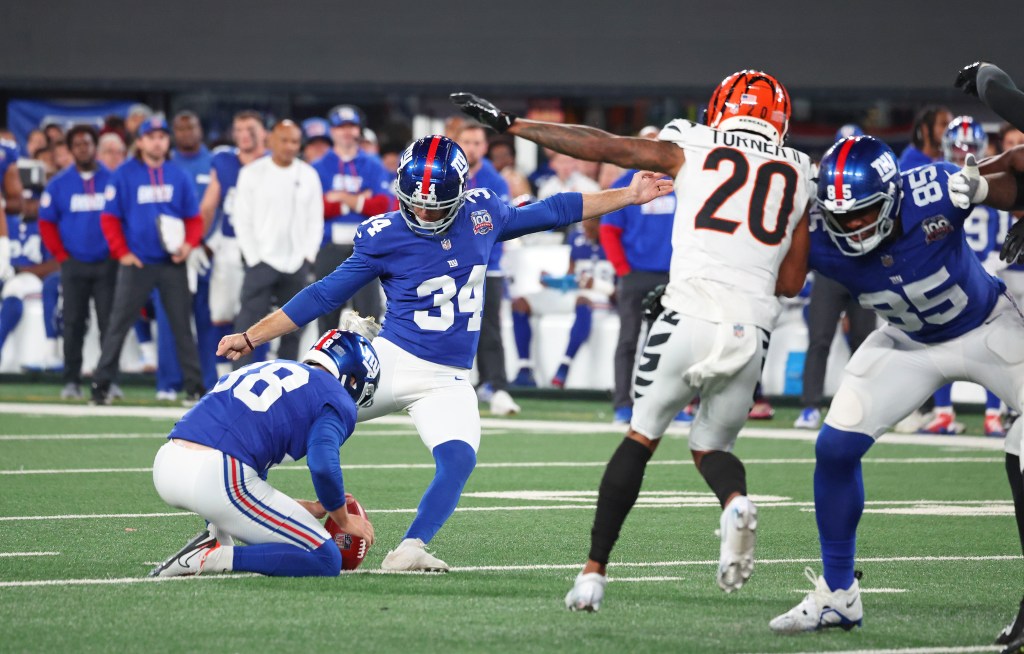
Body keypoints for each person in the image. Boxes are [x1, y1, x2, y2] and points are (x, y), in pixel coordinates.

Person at [218, 134, 673, 572]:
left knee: (458, 459)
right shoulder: (384, 236)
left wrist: (628, 195)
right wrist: (253, 336)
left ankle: (411, 547)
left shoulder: (483, 212)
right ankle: (227, 497)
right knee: (296, 419)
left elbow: (555, 209)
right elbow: (321, 295)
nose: (419, 210)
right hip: (389, 361)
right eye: (413, 200)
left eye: (431, 205)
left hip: (449, 376)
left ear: (458, 194)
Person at [451, 69, 813, 610]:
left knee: (640, 440)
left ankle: (593, 573)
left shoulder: (692, 141)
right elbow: (790, 282)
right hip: (750, 328)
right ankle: (735, 502)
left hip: (687, 311)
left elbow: (605, 147)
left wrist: (514, 125)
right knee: (713, 447)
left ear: (721, 106)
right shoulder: (800, 170)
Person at [769, 137, 1024, 635]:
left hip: (987, 327)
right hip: (906, 343)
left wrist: (1003, 197)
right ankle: (839, 597)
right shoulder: (816, 227)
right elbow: (773, 272)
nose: (851, 225)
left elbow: (1015, 170)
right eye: (840, 215)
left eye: (863, 213)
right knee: (835, 448)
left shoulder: (936, 190)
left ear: (892, 197)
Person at [149, 328, 378, 578]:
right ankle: (212, 556)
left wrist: (307, 508)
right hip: (216, 475)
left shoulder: (273, 369)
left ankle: (215, 537)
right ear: (354, 380)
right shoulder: (336, 396)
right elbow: (322, 462)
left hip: (168, 462)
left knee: (241, 482)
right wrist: (342, 518)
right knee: (325, 558)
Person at [90, 116, 205, 406]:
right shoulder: (124, 174)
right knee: (119, 325)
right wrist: (123, 253)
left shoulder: (178, 175)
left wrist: (189, 245)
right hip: (137, 263)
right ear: (139, 142)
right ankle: (101, 386)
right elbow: (109, 218)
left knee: (181, 326)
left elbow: (194, 218)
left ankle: (194, 388)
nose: (157, 141)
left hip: (171, 262)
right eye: (151, 136)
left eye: (162, 137)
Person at [918, 115, 1007, 436]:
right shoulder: (936, 180)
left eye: (969, 146)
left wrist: (990, 268)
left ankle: (993, 412)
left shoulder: (991, 179)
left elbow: (1001, 235)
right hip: (946, 275)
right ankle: (943, 412)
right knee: (938, 342)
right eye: (958, 145)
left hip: (983, 272)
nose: (962, 152)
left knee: (993, 347)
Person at [794, 125, 877, 431]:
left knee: (863, 343)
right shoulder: (820, 179)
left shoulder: (868, 179)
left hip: (860, 270)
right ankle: (810, 406)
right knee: (819, 340)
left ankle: (865, 406)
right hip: (829, 272)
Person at [598, 129, 676, 424]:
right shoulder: (625, 184)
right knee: (628, 340)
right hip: (635, 274)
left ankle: (664, 405)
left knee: (668, 344)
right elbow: (608, 230)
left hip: (669, 275)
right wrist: (623, 270)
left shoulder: (678, 184)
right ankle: (622, 403)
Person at [231, 120, 323, 366]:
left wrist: (308, 256)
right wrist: (254, 257)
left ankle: (286, 379)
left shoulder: (309, 174)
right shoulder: (252, 173)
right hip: (262, 261)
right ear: (271, 141)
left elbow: (316, 219)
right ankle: (237, 377)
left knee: (294, 325)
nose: (290, 146)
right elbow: (242, 219)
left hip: (296, 263)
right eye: (284, 140)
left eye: (295, 141)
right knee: (248, 323)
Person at [38, 125, 117, 399]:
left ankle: (108, 380)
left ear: (95, 146)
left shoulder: (112, 179)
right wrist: (61, 256)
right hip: (73, 263)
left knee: (110, 323)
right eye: (78, 145)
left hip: (107, 262)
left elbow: (123, 218)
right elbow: (46, 223)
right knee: (73, 322)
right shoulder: (59, 183)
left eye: (88, 143)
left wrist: (116, 250)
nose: (84, 148)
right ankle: (71, 379)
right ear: (71, 150)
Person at [455, 121, 519, 416]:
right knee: (454, 325)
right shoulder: (447, 175)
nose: (471, 147)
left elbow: (501, 225)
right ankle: (456, 384)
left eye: (477, 142)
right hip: (452, 265)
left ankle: (497, 386)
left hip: (487, 265)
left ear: (485, 146)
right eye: (466, 141)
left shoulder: (495, 180)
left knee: (490, 329)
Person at [311, 105, 392, 330]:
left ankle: (367, 364)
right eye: (341, 127)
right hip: (330, 246)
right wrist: (357, 201)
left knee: (369, 316)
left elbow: (383, 206)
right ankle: (323, 364)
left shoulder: (373, 165)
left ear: (359, 130)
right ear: (332, 131)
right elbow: (317, 208)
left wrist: (339, 198)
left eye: (352, 126)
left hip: (365, 248)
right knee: (326, 314)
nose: (347, 132)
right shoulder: (318, 166)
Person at [201, 110, 268, 370]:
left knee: (260, 316)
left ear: (263, 132)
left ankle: (257, 374)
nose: (244, 135)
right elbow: (208, 206)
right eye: (238, 130)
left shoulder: (273, 163)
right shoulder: (224, 161)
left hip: (264, 246)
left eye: (250, 129)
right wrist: (196, 241)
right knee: (221, 312)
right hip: (230, 243)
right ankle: (222, 378)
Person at [899, 105, 952, 170]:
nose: (950, 129)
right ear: (925, 129)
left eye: (951, 124)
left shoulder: (952, 158)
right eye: (944, 124)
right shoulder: (908, 163)